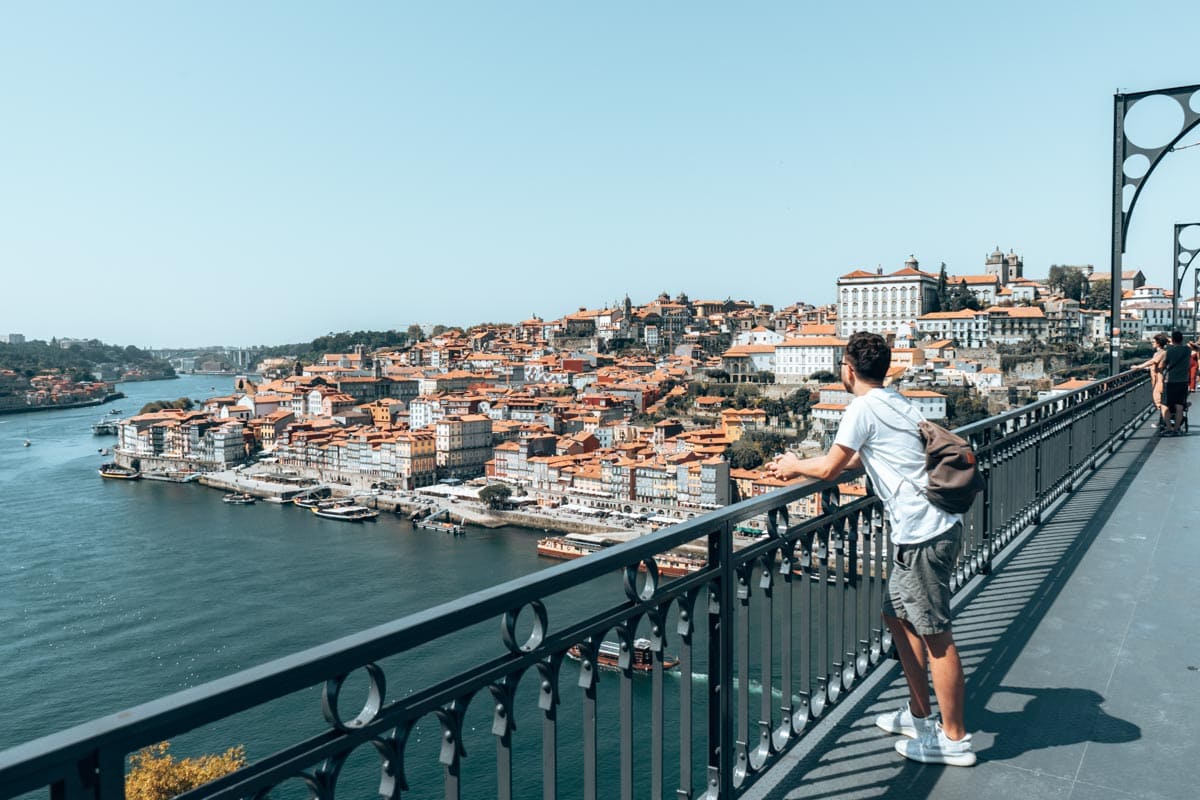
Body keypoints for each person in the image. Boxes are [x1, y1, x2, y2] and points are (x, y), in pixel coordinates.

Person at [765, 332, 974, 767]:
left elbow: (828, 468)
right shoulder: (894, 400)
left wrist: (792, 466)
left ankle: (954, 739)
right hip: (924, 531)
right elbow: (869, 455)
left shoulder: (861, 407)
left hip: (924, 534)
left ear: (848, 367)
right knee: (896, 615)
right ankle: (919, 714)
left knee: (937, 636)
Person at [1133, 333, 1169, 430]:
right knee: (1159, 401)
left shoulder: (1162, 353)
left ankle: (1164, 422)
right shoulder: (1158, 353)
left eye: (1154, 341)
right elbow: (1153, 364)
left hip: (1159, 379)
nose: (1152, 343)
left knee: (1158, 401)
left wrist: (1139, 367)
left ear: (1158, 343)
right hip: (1155, 378)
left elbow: (1153, 362)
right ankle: (1163, 421)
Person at [1161, 331, 1191, 435]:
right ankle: (1177, 429)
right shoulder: (1187, 350)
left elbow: (1162, 365)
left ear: (1172, 339)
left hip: (1170, 381)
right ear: (1182, 339)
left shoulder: (1169, 351)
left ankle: (1169, 427)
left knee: (1165, 405)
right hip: (1183, 381)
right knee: (1179, 406)